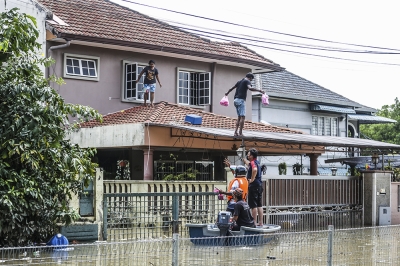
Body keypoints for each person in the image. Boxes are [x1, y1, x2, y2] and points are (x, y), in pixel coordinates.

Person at [243, 148, 264, 227]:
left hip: (253, 186)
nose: (248, 156)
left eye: (248, 155)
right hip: (259, 185)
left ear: (252, 156)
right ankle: (261, 222)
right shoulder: (257, 162)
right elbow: (251, 165)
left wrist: (252, 179)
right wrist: (244, 161)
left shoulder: (253, 163)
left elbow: (254, 170)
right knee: (259, 204)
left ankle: (254, 222)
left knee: (253, 205)